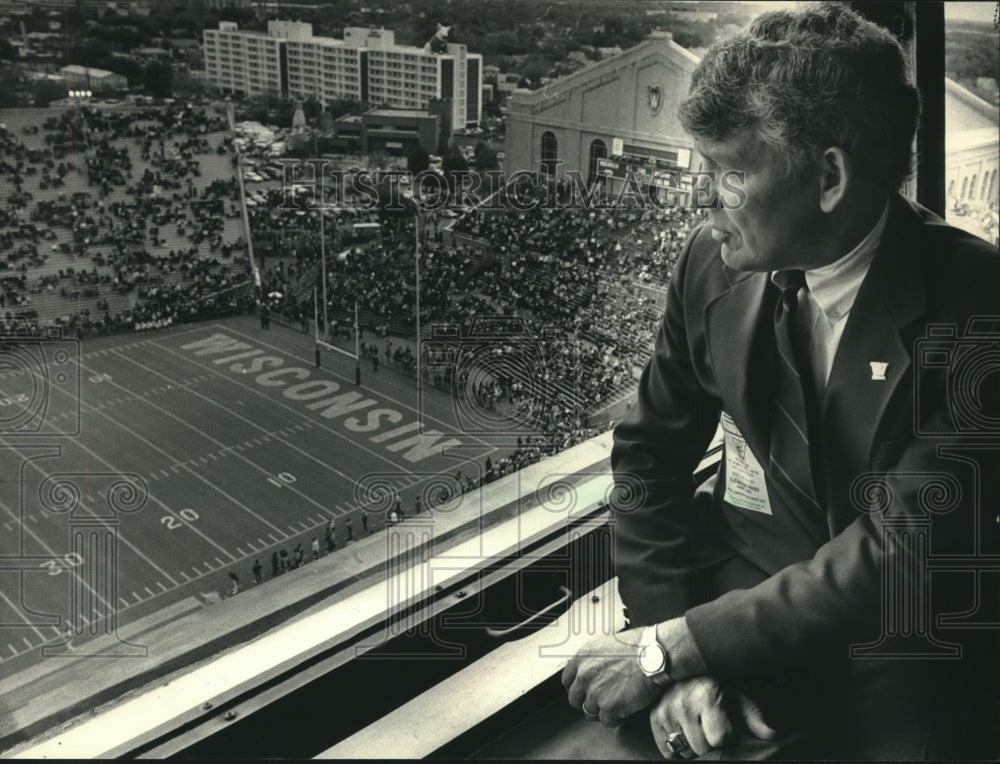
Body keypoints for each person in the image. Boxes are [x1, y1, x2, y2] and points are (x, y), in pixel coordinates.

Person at [561, 4, 999, 761]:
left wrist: (678, 648)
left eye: (728, 171)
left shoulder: (976, 302)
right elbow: (649, 459)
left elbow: (901, 550)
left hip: (898, 657)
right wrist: (671, 657)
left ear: (828, 177)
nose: (704, 201)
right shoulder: (707, 261)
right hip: (726, 616)